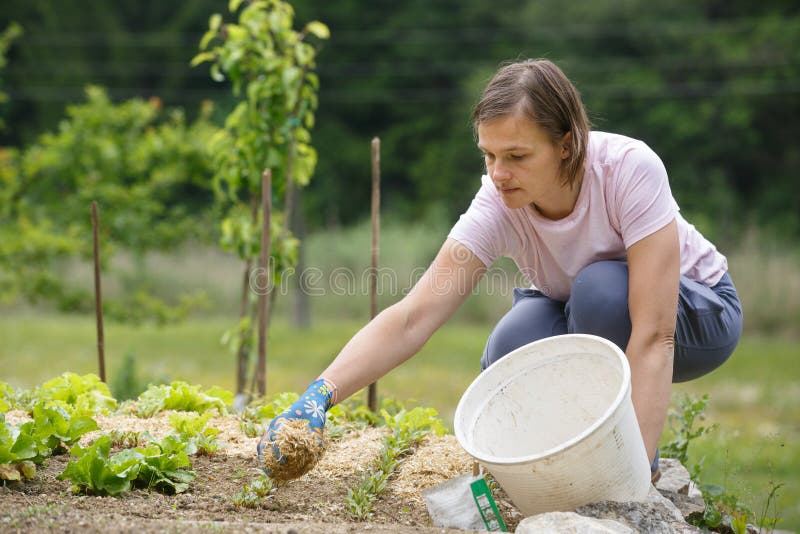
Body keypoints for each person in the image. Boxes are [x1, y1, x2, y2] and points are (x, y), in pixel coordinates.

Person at [258, 58, 743, 480]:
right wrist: (320, 394)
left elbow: (655, 335)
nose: (498, 174)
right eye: (488, 155)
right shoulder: (498, 200)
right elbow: (414, 316)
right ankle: (564, 466)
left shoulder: (628, 170)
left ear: (567, 144)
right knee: (510, 352)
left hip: (698, 311)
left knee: (601, 294)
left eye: (516, 156)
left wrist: (636, 472)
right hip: (582, 309)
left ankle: (626, 459)